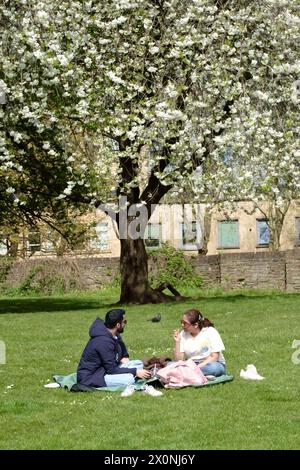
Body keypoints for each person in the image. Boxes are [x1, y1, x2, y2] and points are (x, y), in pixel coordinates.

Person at [77, 309, 151, 388]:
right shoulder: (103, 342)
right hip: (93, 377)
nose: (125, 323)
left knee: (138, 363)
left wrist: (131, 367)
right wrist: (135, 372)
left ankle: (134, 374)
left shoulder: (113, 334)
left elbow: (122, 356)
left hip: (105, 369)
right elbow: (112, 370)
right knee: (129, 379)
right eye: (124, 321)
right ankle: (132, 376)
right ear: (118, 325)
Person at [172, 309, 226, 377]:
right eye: (181, 322)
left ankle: (184, 374)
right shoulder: (183, 334)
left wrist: (196, 368)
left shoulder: (210, 331)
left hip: (210, 364)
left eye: (185, 323)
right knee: (170, 364)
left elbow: (214, 357)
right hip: (191, 365)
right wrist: (177, 342)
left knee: (215, 368)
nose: (182, 325)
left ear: (195, 325)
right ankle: (190, 374)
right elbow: (179, 361)